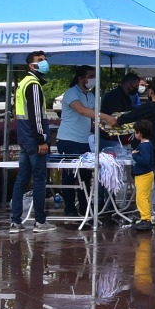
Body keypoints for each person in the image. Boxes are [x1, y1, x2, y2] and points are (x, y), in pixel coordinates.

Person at [115, 79, 155, 226]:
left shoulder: (147, 108)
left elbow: (130, 116)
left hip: (147, 150)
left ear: (150, 92)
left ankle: (148, 214)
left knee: (146, 185)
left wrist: (118, 120)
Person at [9, 50, 52, 233]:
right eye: (40, 60)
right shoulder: (33, 84)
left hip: (24, 139)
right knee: (39, 179)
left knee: (22, 179)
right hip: (34, 141)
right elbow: (36, 116)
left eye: (44, 60)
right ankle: (40, 222)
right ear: (31, 65)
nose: (44, 62)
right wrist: (42, 139)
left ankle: (15, 221)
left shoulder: (23, 83)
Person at [55, 66, 100, 215]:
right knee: (70, 175)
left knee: (85, 176)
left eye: (94, 76)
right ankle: (69, 207)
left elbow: (92, 118)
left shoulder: (91, 95)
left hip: (84, 140)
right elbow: (82, 110)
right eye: (90, 76)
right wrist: (104, 117)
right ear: (81, 78)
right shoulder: (71, 93)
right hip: (68, 140)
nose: (93, 79)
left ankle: (84, 205)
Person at [129, 119, 155, 233]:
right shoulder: (148, 144)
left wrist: (135, 156)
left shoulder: (144, 146)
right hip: (146, 174)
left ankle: (146, 219)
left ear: (139, 133)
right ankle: (145, 217)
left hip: (143, 175)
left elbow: (145, 160)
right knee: (145, 197)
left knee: (141, 198)